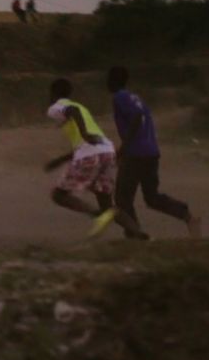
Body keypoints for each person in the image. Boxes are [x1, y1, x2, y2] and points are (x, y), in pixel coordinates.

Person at [44, 78, 147, 240]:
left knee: (59, 195)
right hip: (106, 152)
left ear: (53, 94)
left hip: (90, 153)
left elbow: (73, 113)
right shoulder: (82, 107)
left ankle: (96, 215)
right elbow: (83, 140)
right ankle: (139, 234)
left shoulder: (56, 107)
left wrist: (84, 134)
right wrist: (61, 160)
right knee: (108, 206)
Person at [107, 66, 200, 237]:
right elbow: (142, 118)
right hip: (151, 152)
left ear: (112, 80)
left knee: (122, 199)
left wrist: (123, 148)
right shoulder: (136, 98)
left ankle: (135, 234)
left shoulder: (119, 97)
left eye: (108, 79)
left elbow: (136, 118)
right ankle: (187, 216)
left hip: (135, 155)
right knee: (152, 198)